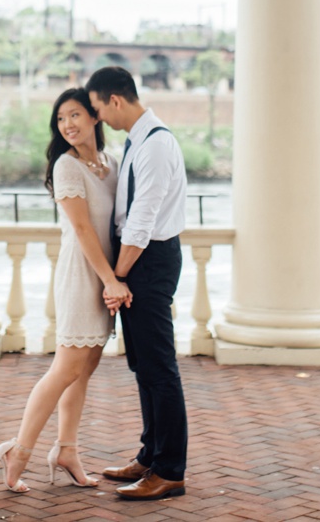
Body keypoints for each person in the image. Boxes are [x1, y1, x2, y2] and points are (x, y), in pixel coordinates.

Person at [0, 88, 131, 493]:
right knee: (65, 369)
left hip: (106, 275)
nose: (67, 125)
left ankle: (67, 450)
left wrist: (116, 277)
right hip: (83, 274)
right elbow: (84, 231)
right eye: (61, 119)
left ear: (95, 117)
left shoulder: (111, 163)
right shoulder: (66, 167)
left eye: (75, 116)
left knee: (84, 370)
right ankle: (20, 449)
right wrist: (110, 281)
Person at [87, 65, 188, 501]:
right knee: (143, 366)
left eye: (97, 109)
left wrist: (119, 278)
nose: (98, 119)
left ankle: (169, 471)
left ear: (115, 100)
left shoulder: (156, 145)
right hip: (140, 261)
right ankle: (150, 455)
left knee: (160, 368)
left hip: (147, 261)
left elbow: (142, 221)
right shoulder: (137, 141)